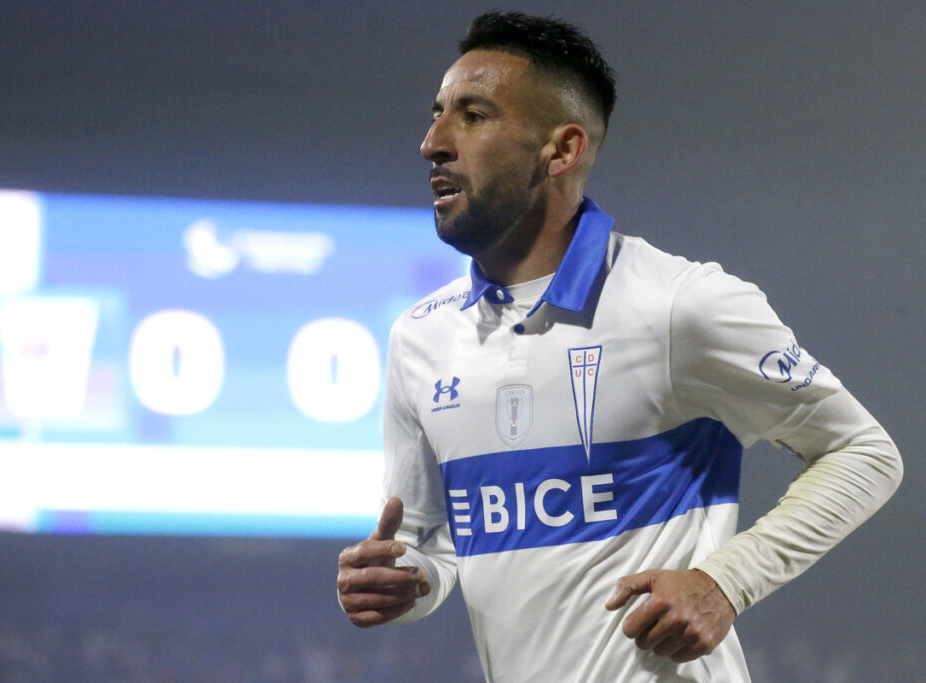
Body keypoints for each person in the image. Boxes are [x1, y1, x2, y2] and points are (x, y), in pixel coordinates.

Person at [336, 11, 902, 682]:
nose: (432, 142)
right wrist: (408, 580)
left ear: (561, 149)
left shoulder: (678, 304)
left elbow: (865, 453)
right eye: (436, 115)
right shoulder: (419, 339)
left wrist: (725, 581)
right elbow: (431, 541)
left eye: (474, 115)